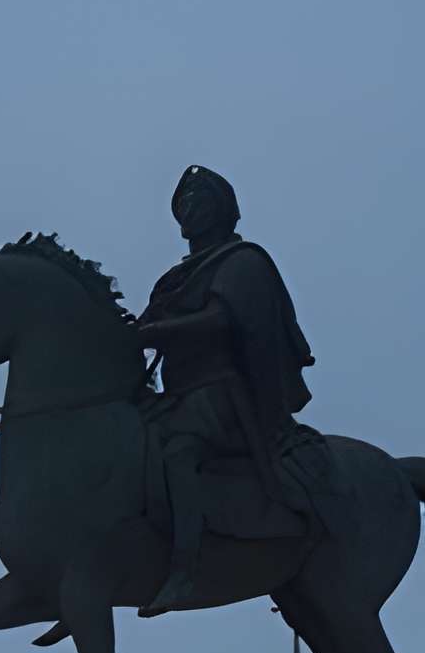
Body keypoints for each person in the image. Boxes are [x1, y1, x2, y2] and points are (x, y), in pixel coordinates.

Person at [129, 164, 317, 617]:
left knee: (177, 454)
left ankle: (185, 570)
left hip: (223, 395)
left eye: (200, 203)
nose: (190, 212)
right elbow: (145, 326)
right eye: (183, 206)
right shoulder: (174, 278)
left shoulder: (243, 262)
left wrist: (155, 332)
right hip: (179, 395)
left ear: (224, 211)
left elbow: (223, 320)